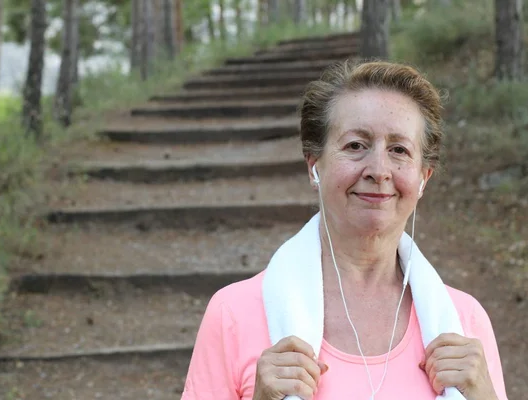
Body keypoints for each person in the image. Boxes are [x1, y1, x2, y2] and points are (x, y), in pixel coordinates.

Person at [180, 60, 508, 400]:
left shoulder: (465, 321)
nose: (379, 170)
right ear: (314, 166)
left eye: (399, 150)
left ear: (423, 178)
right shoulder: (234, 313)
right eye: (355, 145)